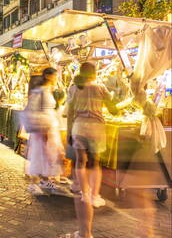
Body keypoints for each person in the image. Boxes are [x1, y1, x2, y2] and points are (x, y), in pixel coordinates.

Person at [66, 62, 119, 238]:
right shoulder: (100, 87)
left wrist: (68, 133)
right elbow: (113, 109)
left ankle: (84, 193)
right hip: (96, 127)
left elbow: (70, 113)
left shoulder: (74, 88)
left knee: (81, 161)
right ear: (94, 73)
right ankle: (95, 195)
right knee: (95, 162)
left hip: (79, 126)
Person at [25, 68, 71, 197]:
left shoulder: (46, 90)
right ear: (48, 76)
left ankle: (45, 181)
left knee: (47, 157)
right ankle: (33, 184)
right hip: (42, 129)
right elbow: (36, 111)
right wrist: (44, 129)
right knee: (39, 155)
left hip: (49, 128)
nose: (56, 78)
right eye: (55, 76)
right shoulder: (40, 91)